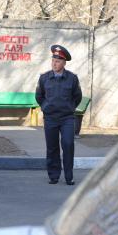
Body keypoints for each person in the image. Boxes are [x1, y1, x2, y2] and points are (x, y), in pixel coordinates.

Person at [35, 45, 82, 185]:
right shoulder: (44, 78)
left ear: (64, 63)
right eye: (53, 60)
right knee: (52, 147)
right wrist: (46, 108)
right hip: (50, 118)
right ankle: (53, 176)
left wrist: (70, 108)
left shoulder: (72, 78)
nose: (54, 63)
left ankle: (69, 176)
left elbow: (77, 96)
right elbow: (39, 96)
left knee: (68, 144)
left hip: (67, 118)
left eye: (58, 61)